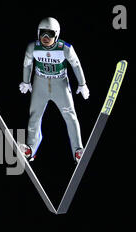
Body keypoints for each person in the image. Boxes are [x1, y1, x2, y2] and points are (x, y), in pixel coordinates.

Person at [19, 17, 89, 164]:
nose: (46, 37)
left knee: (70, 116)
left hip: (60, 84)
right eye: (43, 33)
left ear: (56, 34)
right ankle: (30, 149)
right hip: (40, 83)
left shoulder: (65, 48)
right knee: (34, 116)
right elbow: (27, 64)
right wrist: (26, 81)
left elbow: (76, 65)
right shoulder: (33, 47)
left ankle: (78, 150)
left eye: (50, 34)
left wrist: (82, 84)